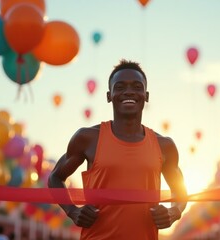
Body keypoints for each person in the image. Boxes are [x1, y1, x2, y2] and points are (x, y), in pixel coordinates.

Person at [48, 60, 188, 240]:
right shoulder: (87, 138)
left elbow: (181, 192)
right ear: (109, 95)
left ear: (146, 95)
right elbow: (55, 178)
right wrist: (72, 211)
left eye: (137, 87)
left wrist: (174, 211)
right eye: (120, 86)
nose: (129, 91)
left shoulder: (164, 145)